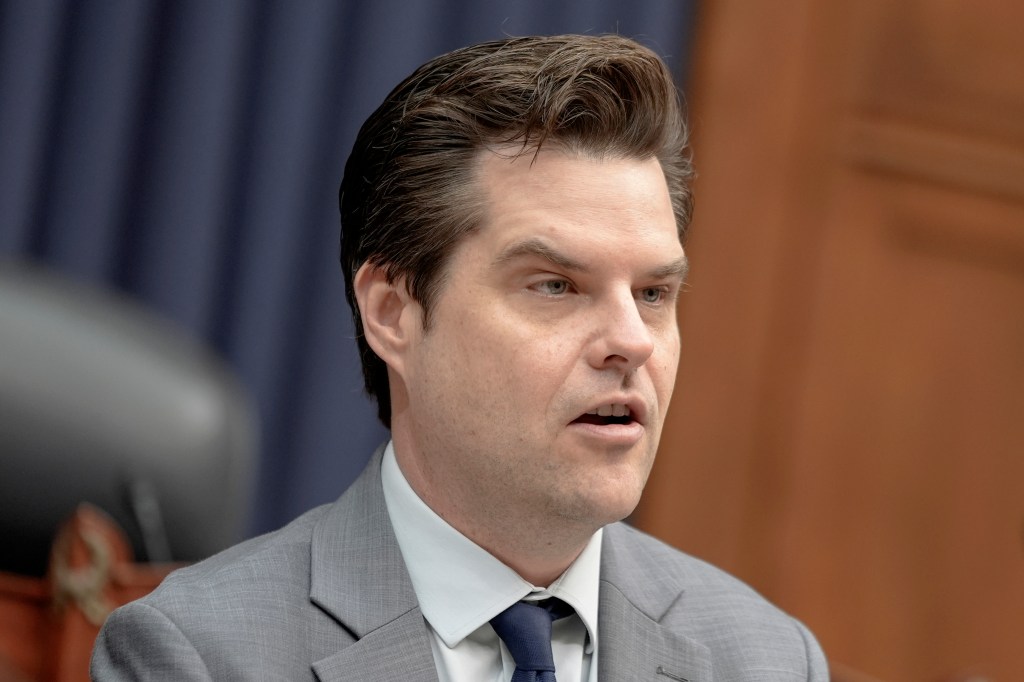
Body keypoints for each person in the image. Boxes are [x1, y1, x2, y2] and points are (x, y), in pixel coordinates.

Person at [91, 34, 828, 681]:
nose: (631, 340)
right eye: (556, 286)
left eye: (654, 293)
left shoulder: (767, 660)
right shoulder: (200, 657)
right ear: (394, 313)